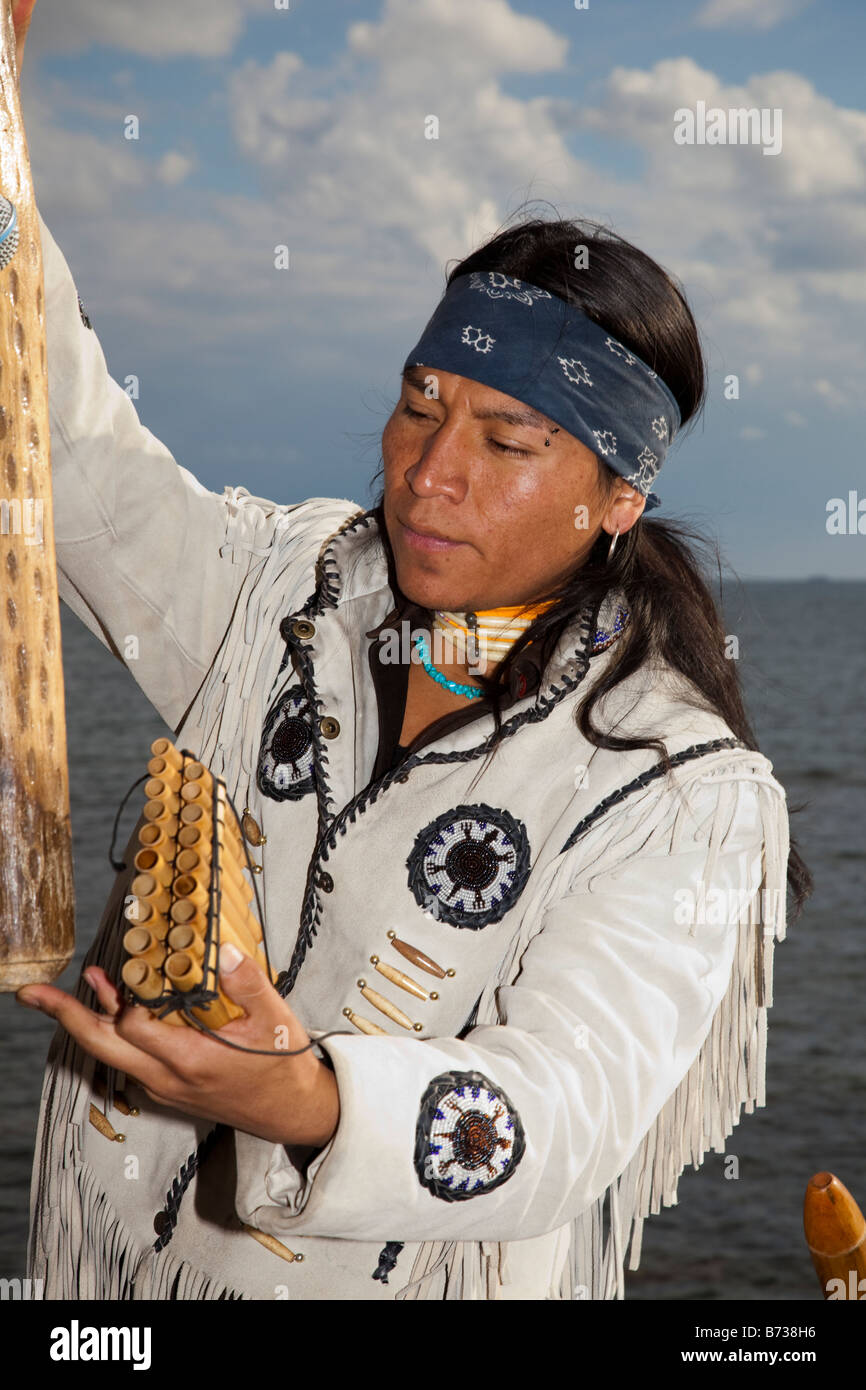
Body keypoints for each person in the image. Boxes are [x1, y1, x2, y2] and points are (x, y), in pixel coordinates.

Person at [13, 2, 811, 1301]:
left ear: (615, 497)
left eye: (505, 442)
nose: (427, 475)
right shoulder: (283, 582)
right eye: (418, 403)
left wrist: (306, 1092)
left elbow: (559, 1109)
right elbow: (76, 454)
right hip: (105, 1281)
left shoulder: (678, 792)